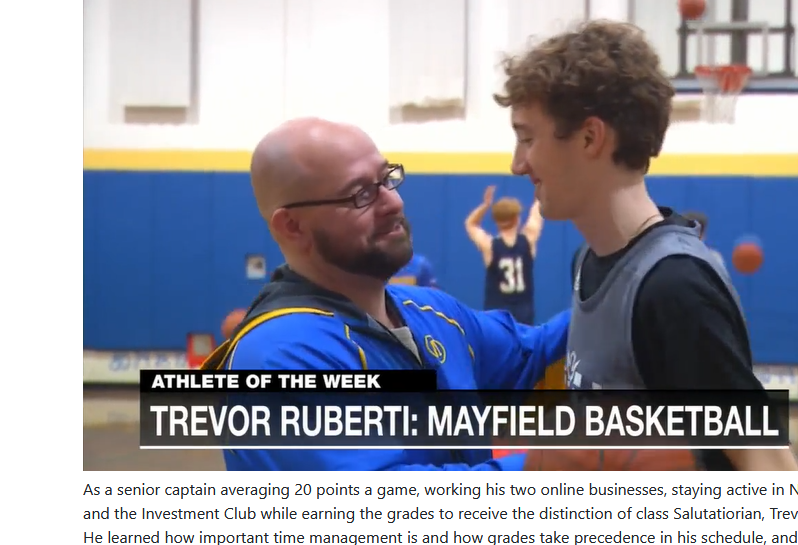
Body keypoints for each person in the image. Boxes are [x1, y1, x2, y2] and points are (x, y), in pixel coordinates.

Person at [495, 20, 798, 471]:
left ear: (589, 137)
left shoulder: (673, 285)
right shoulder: (589, 262)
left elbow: (767, 462)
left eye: (527, 138)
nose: (518, 163)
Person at [199, 118, 568, 471]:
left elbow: (532, 356)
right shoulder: (280, 356)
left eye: (386, 178)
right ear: (293, 226)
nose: (394, 202)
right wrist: (558, 467)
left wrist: (612, 281)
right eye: (361, 194)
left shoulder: (432, 312)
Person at [464, 185, 542, 325]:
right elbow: (537, 211)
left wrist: (485, 205)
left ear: (496, 221)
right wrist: (540, 188)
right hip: (523, 314)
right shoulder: (528, 240)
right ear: (517, 219)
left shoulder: (490, 246)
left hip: (496, 316)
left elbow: (470, 223)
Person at [389, 219, 438, 287]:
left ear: (410, 238)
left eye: (402, 239)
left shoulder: (421, 266)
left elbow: (429, 294)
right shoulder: (377, 266)